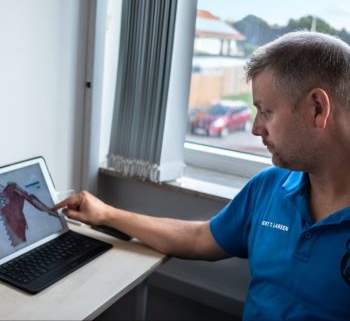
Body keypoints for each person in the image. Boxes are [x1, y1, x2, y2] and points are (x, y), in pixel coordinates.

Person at [53, 31, 350, 320]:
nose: (256, 128)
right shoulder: (269, 187)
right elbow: (199, 238)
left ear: (317, 108)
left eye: (266, 111)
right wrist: (106, 214)